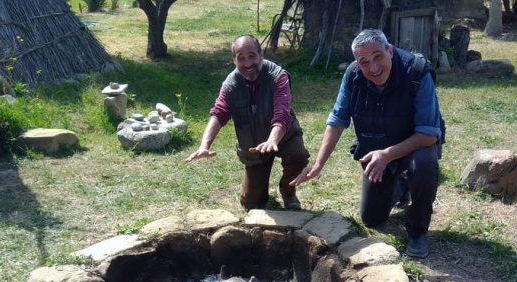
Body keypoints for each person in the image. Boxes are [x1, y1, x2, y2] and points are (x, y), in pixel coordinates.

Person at [290, 29, 442, 258]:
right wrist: (318, 164)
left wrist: (388, 154)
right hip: (376, 148)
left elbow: (429, 134)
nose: (373, 68)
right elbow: (337, 121)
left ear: (389, 50)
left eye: (378, 56)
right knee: (372, 219)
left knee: (423, 164)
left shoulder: (417, 72)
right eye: (364, 62)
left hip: (415, 146)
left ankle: (417, 232)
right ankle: (401, 186)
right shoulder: (353, 76)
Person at [186, 34, 309, 211]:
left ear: (261, 54)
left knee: (298, 156)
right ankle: (259, 192)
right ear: (234, 60)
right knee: (252, 204)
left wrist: (273, 140)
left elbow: (282, 113)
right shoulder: (230, 84)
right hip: (253, 145)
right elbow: (219, 113)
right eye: (241, 58)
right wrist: (204, 145)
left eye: (252, 56)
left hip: (284, 135)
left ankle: (288, 191)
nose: (248, 63)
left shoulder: (278, 76)